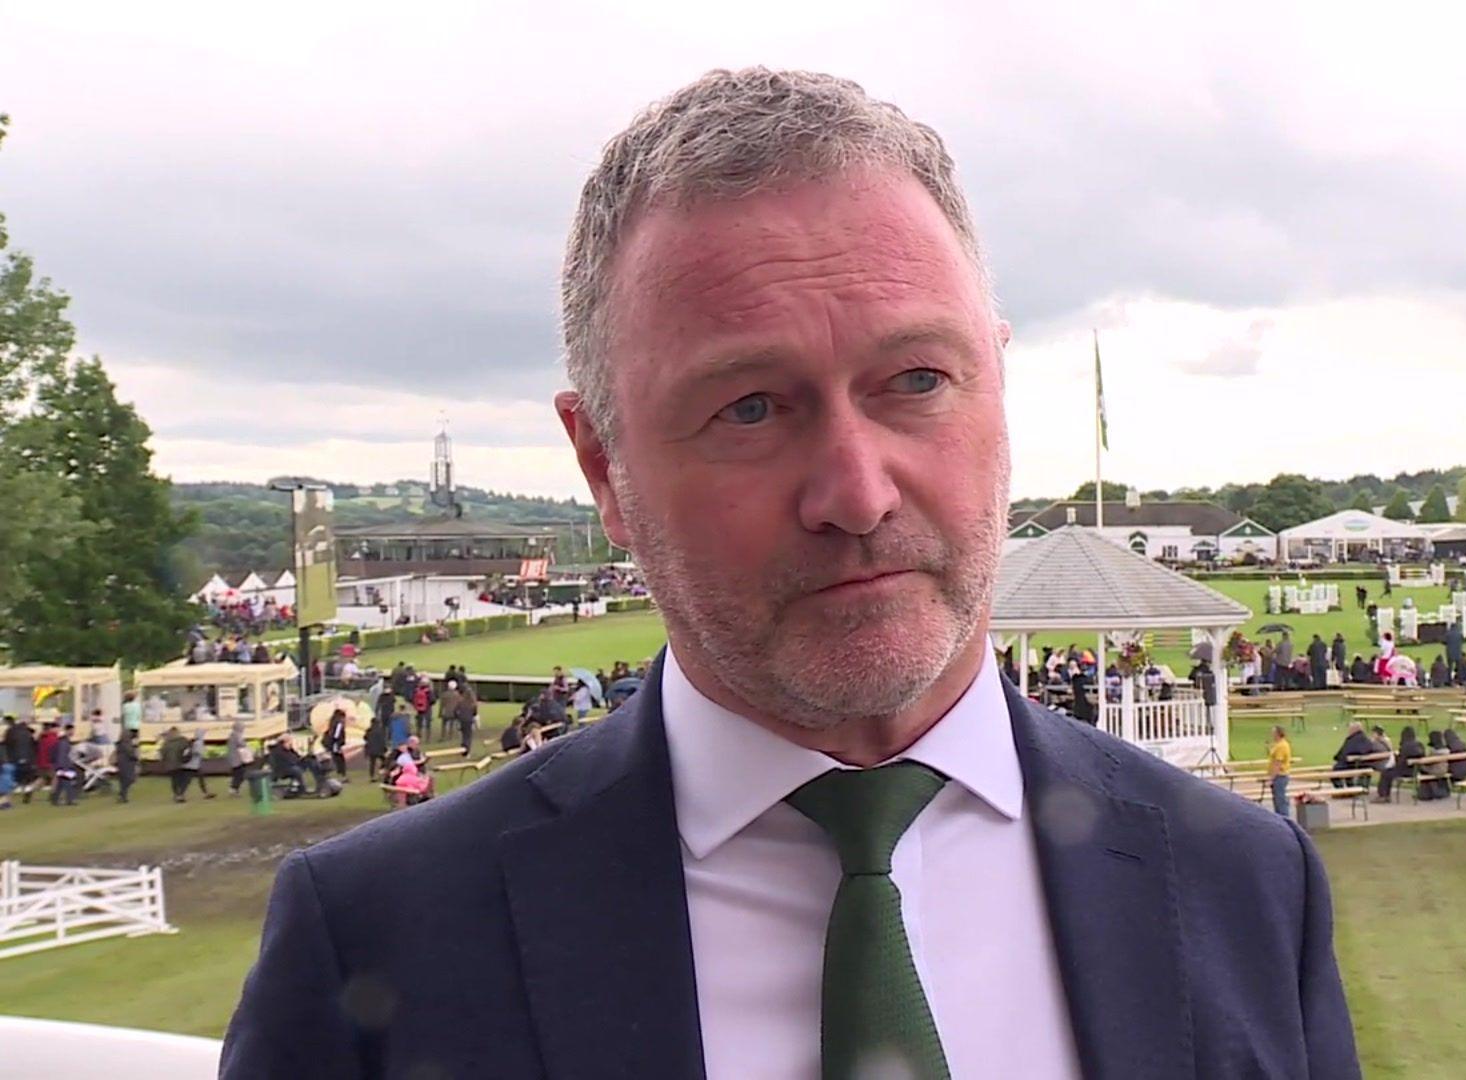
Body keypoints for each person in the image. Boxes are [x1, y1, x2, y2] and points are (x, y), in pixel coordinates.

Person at [225, 69, 1358, 1080]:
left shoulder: (1247, 884)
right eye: (751, 407)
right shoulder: (381, 938)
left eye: (915, 380)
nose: (856, 494)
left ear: (998, 386)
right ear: (602, 466)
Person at [159, 727, 192, 803]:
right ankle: (180, 794)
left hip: (170, 764)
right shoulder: (182, 741)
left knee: (175, 780)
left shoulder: (167, 742)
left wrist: (163, 761)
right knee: (182, 779)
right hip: (180, 763)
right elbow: (188, 749)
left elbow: (162, 753)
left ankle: (177, 794)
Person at [1266, 725, 1293, 818]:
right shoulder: (1279, 745)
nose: (1272, 735)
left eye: (1273, 733)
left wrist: (1271, 778)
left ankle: (1284, 818)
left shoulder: (1282, 746)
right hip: (1279, 776)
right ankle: (1281, 818)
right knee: (1277, 800)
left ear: (1278, 734)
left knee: (1280, 800)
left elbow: (1278, 763)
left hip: (1280, 776)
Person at [114, 730, 140, 803]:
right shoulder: (126, 744)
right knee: (130, 779)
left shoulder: (120, 744)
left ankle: (122, 796)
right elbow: (130, 753)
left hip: (121, 763)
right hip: (127, 763)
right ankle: (122, 795)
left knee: (123, 781)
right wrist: (136, 757)